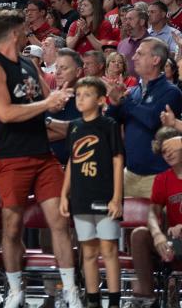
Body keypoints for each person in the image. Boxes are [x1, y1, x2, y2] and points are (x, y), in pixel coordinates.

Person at [0, 10, 79, 308]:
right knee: (11, 228)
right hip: (11, 157)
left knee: (60, 222)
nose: (28, 34)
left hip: (42, 154)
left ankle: (70, 291)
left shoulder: (26, 63)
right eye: (24, 30)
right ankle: (15, 290)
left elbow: (46, 97)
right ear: (14, 33)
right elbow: (6, 113)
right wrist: (47, 103)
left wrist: (55, 98)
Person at [59, 77, 124, 308]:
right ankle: (93, 300)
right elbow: (71, 161)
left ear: (100, 100)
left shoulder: (109, 125)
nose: (81, 99)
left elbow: (117, 161)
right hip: (80, 196)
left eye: (86, 95)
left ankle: (114, 301)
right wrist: (64, 195)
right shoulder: (74, 126)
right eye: (78, 95)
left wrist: (117, 198)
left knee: (108, 250)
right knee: (87, 251)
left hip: (105, 195)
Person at [109, 38, 182, 197]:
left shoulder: (171, 92)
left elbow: (152, 120)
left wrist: (124, 101)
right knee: (124, 221)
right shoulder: (133, 91)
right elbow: (111, 123)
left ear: (155, 60)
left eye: (140, 54)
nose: (134, 57)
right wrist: (114, 103)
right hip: (130, 173)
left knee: (156, 221)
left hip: (158, 176)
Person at [128, 126, 182, 306]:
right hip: (175, 242)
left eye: (171, 149)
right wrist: (158, 234)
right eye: (163, 151)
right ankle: (147, 298)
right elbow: (153, 212)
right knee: (139, 234)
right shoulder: (162, 179)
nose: (167, 154)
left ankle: (173, 287)